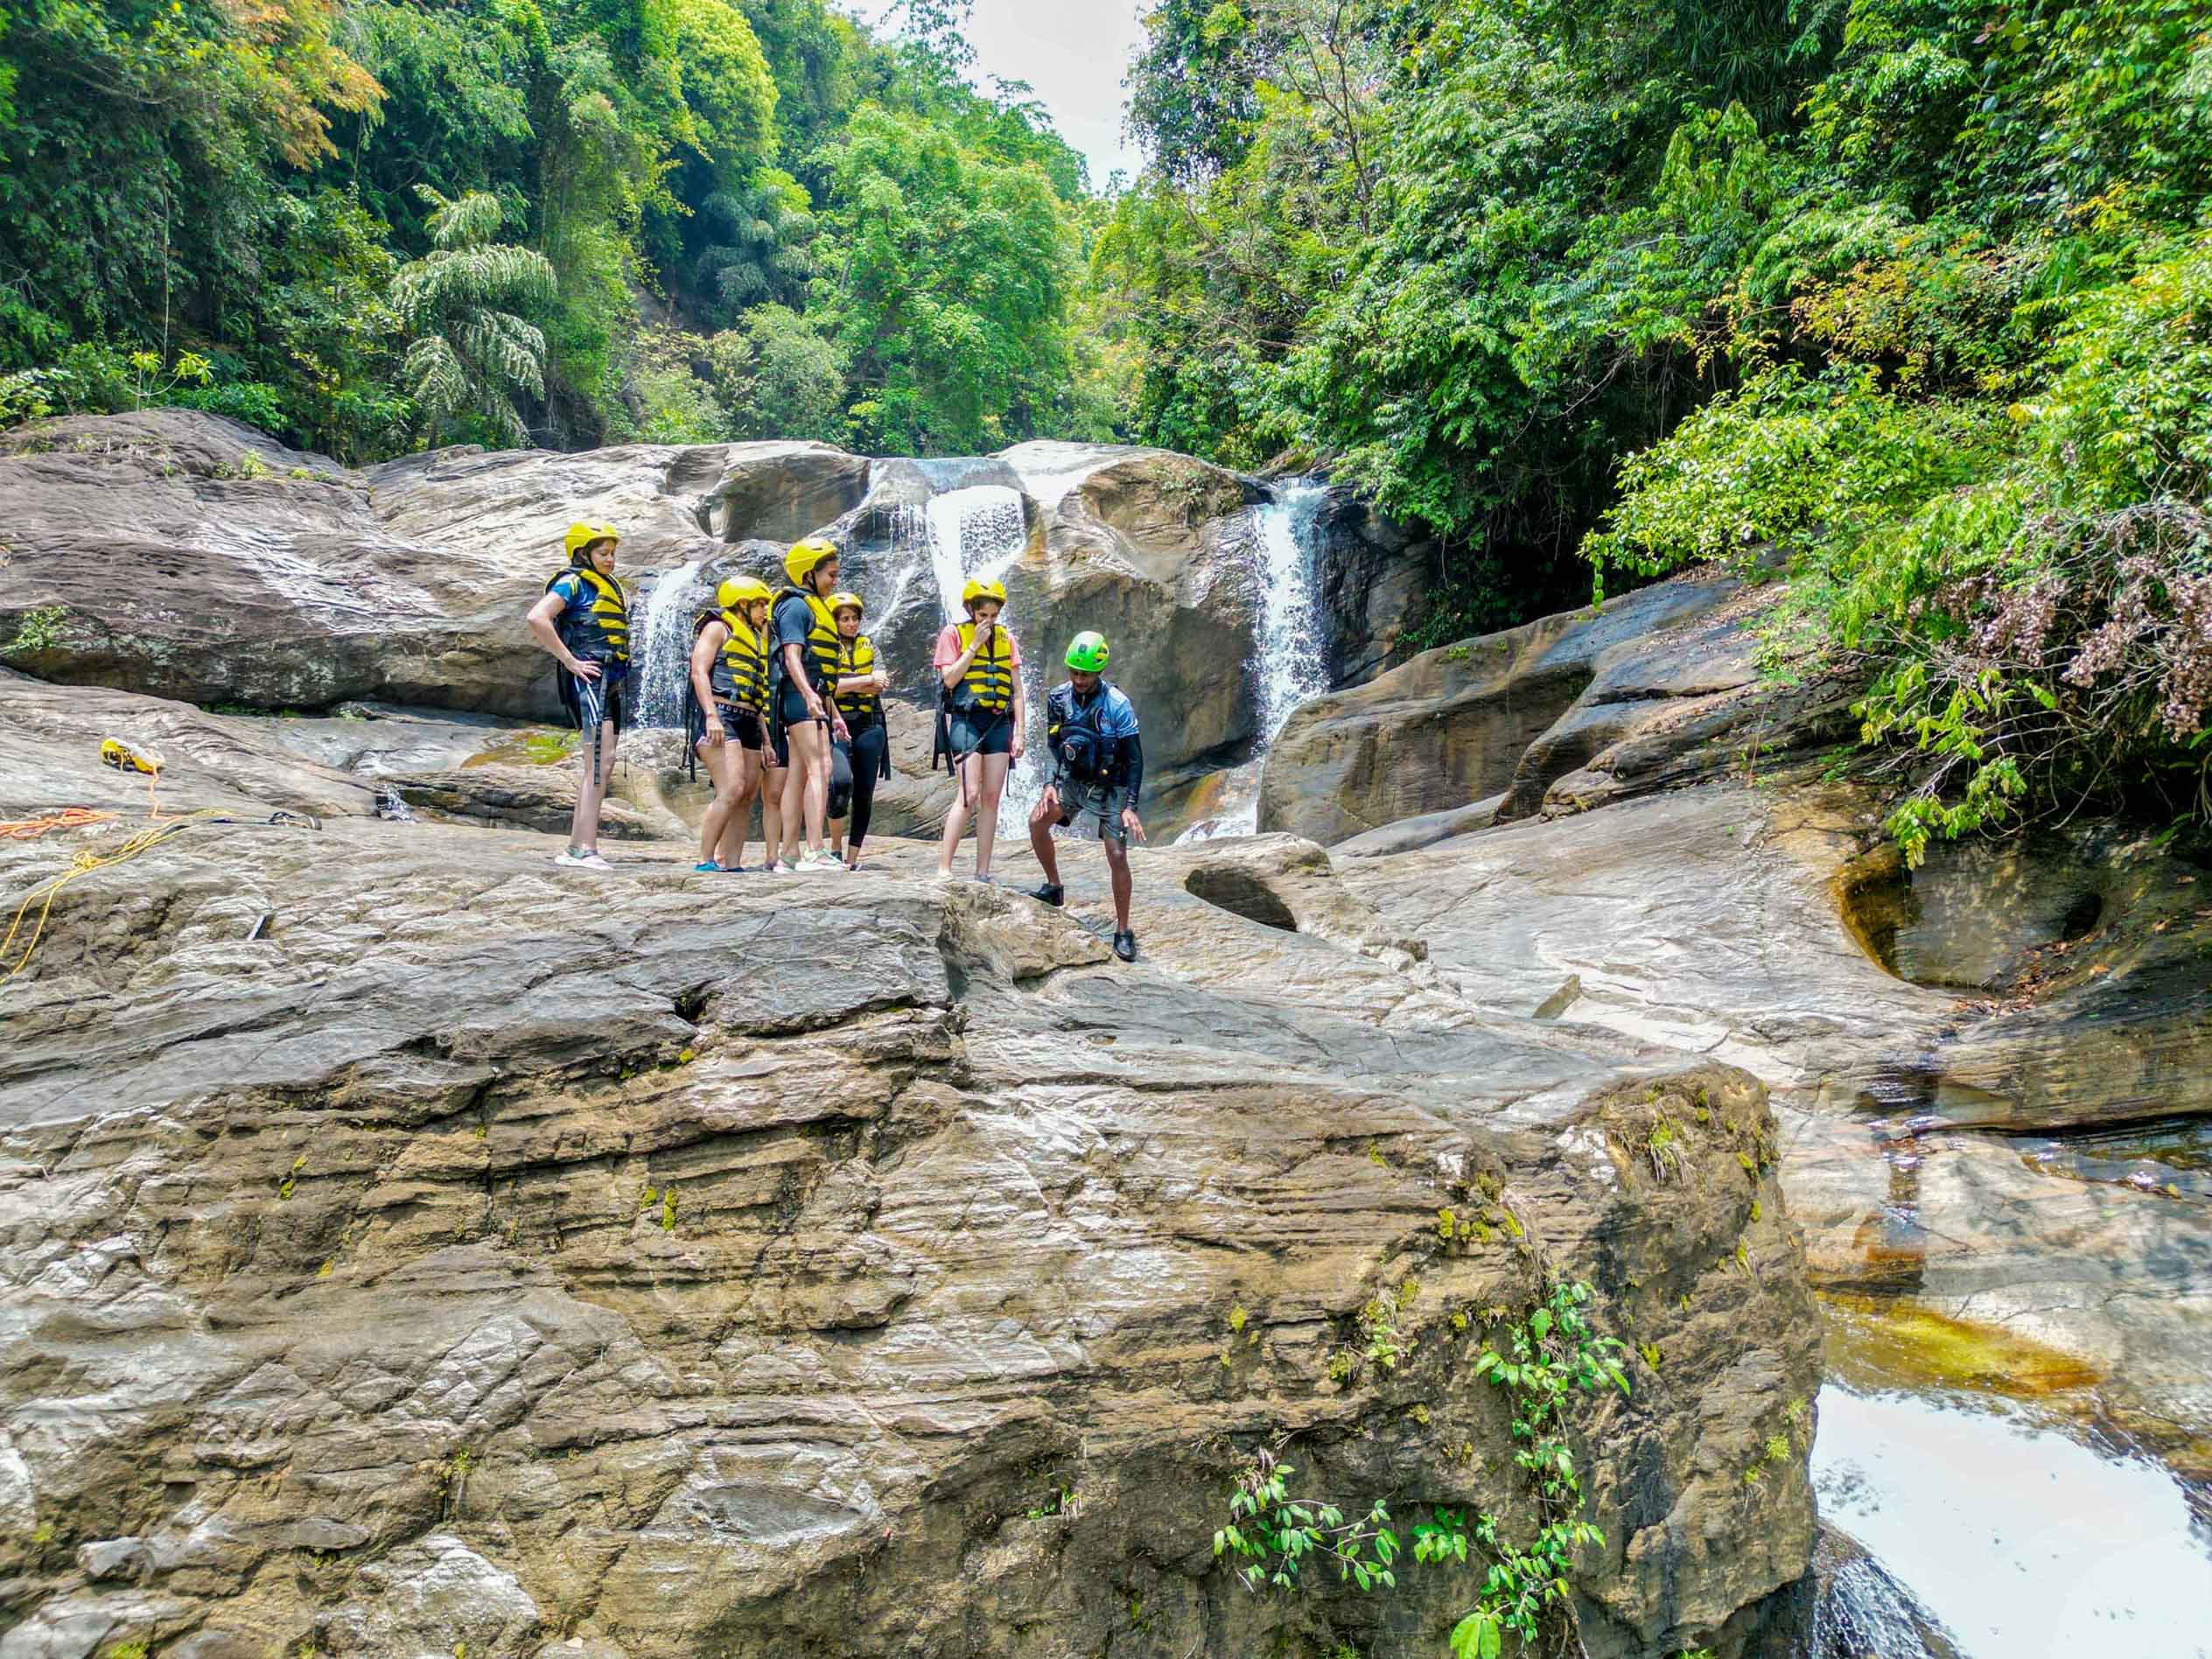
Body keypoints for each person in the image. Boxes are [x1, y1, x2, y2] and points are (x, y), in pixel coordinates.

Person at [1028, 630, 1146, 962]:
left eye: (1086, 673)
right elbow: (1056, 746)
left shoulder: (1117, 705)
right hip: (1074, 782)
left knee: (1117, 856)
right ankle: (1054, 887)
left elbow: (1135, 758)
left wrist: (1131, 806)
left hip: (1111, 790)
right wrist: (1050, 783)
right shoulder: (1058, 698)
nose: (1079, 679)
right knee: (1036, 823)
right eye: (1074, 672)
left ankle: (1123, 930)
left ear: (1099, 671)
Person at [527, 522, 628, 871]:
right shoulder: (571, 582)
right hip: (589, 682)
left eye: (613, 553)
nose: (610, 560)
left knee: (605, 761)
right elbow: (537, 617)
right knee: (598, 763)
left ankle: (578, 846)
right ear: (583, 554)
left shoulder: (606, 585)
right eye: (604, 553)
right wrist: (571, 662)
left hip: (610, 682)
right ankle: (583, 849)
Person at [933, 577, 1025, 881]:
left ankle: (982, 870)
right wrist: (973, 646)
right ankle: (944, 867)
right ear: (971, 610)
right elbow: (949, 679)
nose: (988, 621)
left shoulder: (1006, 639)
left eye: (993, 615)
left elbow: (1017, 691)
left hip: (999, 722)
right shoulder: (953, 634)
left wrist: (1020, 732)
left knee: (992, 797)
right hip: (967, 720)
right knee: (969, 794)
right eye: (983, 615)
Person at [769, 536, 850, 873]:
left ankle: (789, 853)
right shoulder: (797, 606)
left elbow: (818, 666)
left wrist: (833, 713)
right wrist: (808, 695)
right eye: (830, 574)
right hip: (800, 698)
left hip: (811, 698)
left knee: (801, 774)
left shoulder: (812, 606)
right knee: (822, 768)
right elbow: (792, 656)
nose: (835, 580)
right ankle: (815, 851)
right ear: (808, 574)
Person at [687, 573, 773, 872]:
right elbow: (699, 671)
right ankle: (704, 860)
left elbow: (757, 694)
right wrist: (711, 715)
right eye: (760, 604)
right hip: (722, 714)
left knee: (747, 795)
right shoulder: (717, 628)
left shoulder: (756, 638)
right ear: (741, 604)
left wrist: (767, 742)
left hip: (750, 718)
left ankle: (733, 863)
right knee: (731, 788)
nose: (765, 610)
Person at [827, 590, 892, 871]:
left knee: (865, 792)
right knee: (840, 782)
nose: (851, 624)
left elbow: (881, 684)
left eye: (854, 618)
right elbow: (829, 686)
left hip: (870, 724)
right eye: (844, 619)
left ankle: (852, 860)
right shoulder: (826, 648)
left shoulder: (871, 645)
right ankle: (835, 848)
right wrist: (865, 680)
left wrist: (848, 682)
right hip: (838, 725)